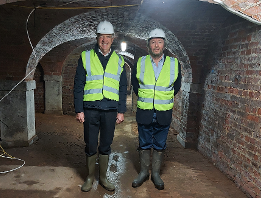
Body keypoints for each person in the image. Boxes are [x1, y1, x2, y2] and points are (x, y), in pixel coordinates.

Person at [73, 20, 127, 192]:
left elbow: (123, 87)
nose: (105, 40)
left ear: (113, 39)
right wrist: (79, 109)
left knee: (105, 144)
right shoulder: (85, 56)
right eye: (101, 36)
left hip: (110, 110)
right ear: (97, 38)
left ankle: (103, 178)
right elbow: (79, 84)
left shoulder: (119, 61)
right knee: (90, 144)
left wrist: (121, 110)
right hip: (90, 109)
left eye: (108, 37)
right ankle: (89, 177)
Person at [131, 28, 181, 190]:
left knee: (160, 143)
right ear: (148, 45)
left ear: (164, 45)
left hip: (163, 111)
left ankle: (156, 174)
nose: (156, 45)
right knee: (144, 142)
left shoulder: (174, 64)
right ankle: (144, 172)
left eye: (159, 42)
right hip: (145, 110)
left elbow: (177, 85)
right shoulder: (140, 62)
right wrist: (148, 98)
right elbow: (135, 84)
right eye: (153, 42)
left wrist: (162, 98)